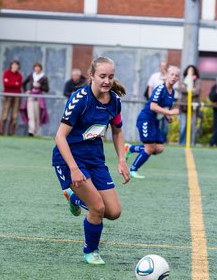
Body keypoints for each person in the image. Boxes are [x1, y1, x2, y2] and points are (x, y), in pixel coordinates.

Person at [52, 57, 130, 265]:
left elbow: (118, 132)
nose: (107, 81)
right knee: (97, 207)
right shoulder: (81, 99)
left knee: (113, 212)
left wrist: (122, 160)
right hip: (69, 159)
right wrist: (74, 169)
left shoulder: (114, 101)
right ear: (92, 76)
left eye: (110, 77)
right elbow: (59, 136)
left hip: (95, 160)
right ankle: (91, 251)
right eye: (102, 76)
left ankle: (74, 198)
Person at [125, 66, 180, 179]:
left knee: (159, 149)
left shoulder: (172, 92)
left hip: (155, 122)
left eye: (176, 75)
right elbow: (153, 106)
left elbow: (162, 107)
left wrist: (167, 116)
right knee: (149, 148)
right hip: (146, 119)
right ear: (167, 75)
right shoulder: (160, 88)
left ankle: (130, 148)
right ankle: (132, 169)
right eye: (172, 74)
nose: (174, 77)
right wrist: (169, 111)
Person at [21, 62, 49, 136]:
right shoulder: (31, 75)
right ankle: (31, 131)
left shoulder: (44, 77)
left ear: (40, 68)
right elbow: (23, 83)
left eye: (38, 67)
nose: (37, 68)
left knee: (37, 115)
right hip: (31, 97)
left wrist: (40, 86)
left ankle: (36, 131)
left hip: (39, 98)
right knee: (30, 114)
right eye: (35, 67)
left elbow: (47, 89)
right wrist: (26, 90)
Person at [0, 60, 23, 135]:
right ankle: (0, 131)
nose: (15, 67)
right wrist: (14, 83)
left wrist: (11, 83)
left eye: (16, 66)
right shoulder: (6, 73)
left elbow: (19, 85)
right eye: (13, 65)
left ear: (18, 67)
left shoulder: (19, 75)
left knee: (14, 116)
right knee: (4, 115)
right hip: (7, 96)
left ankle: (11, 133)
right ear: (11, 66)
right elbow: (6, 84)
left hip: (17, 97)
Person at [178, 65, 200, 146]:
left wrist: (187, 88)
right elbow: (181, 89)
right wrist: (190, 89)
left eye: (192, 70)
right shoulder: (184, 80)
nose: (190, 72)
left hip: (193, 107)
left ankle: (192, 142)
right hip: (184, 106)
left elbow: (197, 91)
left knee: (192, 126)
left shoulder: (197, 80)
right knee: (183, 126)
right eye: (189, 70)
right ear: (186, 71)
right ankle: (181, 143)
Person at [147, 61, 169, 142]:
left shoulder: (169, 77)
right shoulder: (154, 76)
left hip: (165, 104)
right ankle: (153, 139)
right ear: (159, 67)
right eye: (162, 66)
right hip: (155, 103)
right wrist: (150, 100)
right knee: (154, 122)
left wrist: (166, 77)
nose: (163, 68)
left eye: (165, 66)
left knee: (164, 125)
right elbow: (150, 88)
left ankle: (163, 141)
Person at [209, 80, 217, 147]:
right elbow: (212, 98)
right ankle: (213, 142)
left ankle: (212, 142)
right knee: (215, 127)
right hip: (216, 110)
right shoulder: (214, 87)